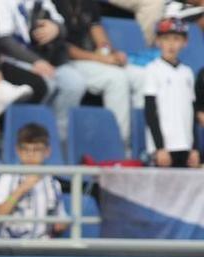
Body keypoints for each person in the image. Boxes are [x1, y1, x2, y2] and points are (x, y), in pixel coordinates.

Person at [0, 0, 87, 139]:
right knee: (46, 82)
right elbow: (3, 41)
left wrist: (56, 28)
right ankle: (26, 138)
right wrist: (35, 61)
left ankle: (57, 140)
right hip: (10, 59)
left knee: (74, 83)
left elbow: (63, 26)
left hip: (43, 60)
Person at [55, 0, 146, 143]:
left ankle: (141, 143)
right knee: (116, 78)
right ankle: (120, 145)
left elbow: (97, 31)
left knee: (141, 76)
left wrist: (110, 52)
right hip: (68, 62)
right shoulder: (52, 3)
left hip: (94, 60)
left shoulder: (88, 3)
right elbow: (62, 47)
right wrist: (98, 58)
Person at [0, 123, 69, 238]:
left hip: (43, 247)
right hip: (11, 247)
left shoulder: (54, 184)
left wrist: (62, 224)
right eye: (25, 149)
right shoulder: (7, 178)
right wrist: (20, 190)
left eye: (37, 149)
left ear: (47, 152)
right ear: (18, 150)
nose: (31, 154)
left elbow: (61, 218)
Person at [145, 18, 200, 168]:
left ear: (185, 42)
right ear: (158, 41)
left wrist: (195, 148)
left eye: (176, 39)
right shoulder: (153, 69)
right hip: (164, 149)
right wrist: (160, 148)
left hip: (185, 147)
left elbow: (192, 112)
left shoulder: (187, 72)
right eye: (166, 38)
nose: (171, 44)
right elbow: (150, 111)